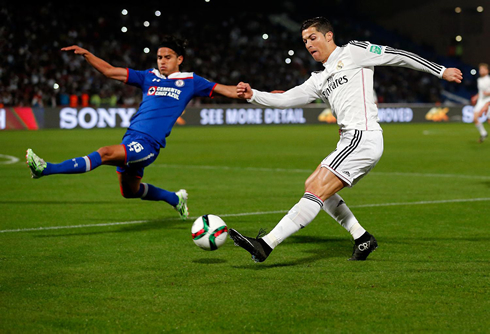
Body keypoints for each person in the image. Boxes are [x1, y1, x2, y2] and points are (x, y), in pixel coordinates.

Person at [229, 17, 463, 262]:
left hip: (363, 137)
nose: (308, 45)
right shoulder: (319, 79)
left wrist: (440, 70)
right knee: (315, 185)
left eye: (312, 38)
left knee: (317, 189)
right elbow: (285, 99)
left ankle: (265, 245)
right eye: (304, 41)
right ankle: (362, 238)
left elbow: (398, 55)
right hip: (350, 141)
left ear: (328, 36)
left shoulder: (354, 51)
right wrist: (253, 94)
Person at [26, 35, 241, 220]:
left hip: (149, 144)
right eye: (159, 57)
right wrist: (87, 55)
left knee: (104, 153)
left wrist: (262, 95)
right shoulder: (148, 77)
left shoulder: (191, 81)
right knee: (130, 191)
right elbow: (110, 71)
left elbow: (229, 91)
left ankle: (45, 169)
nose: (162, 61)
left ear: (179, 59)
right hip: (131, 138)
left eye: (168, 57)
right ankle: (175, 198)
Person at [471, 63, 490, 143]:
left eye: (483, 69)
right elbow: (481, 92)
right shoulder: (479, 80)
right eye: (480, 69)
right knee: (475, 118)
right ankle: (483, 133)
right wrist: (476, 96)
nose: (481, 71)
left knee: (489, 120)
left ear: (487, 71)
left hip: (488, 100)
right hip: (481, 101)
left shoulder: (488, 80)